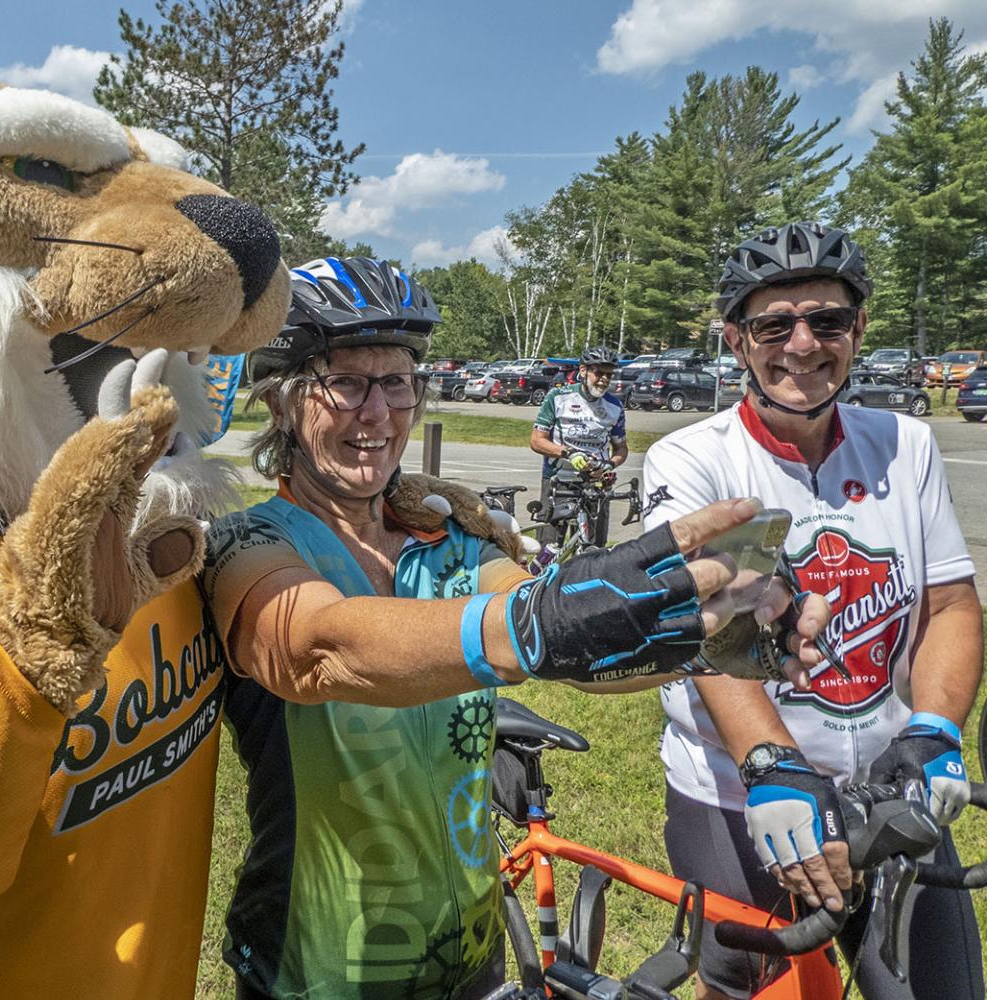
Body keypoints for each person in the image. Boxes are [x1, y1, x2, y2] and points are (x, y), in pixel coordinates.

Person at [200, 257, 830, 999]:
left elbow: (557, 640)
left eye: (396, 381)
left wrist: (706, 633)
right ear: (280, 403)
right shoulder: (249, 543)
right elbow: (317, 645)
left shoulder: (452, 542)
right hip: (314, 970)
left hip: (468, 952)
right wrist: (540, 620)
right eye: (345, 381)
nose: (377, 413)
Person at [641, 222, 983, 1000]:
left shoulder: (906, 443)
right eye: (774, 325)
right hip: (742, 791)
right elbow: (717, 633)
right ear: (736, 341)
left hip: (894, 785)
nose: (802, 345)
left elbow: (951, 605)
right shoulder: (699, 458)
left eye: (827, 321)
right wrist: (772, 763)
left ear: (857, 331)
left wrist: (934, 730)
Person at [529, 347, 627, 544]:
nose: (604, 379)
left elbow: (621, 449)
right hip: (559, 480)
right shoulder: (558, 397)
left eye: (609, 374)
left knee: (593, 549)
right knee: (548, 547)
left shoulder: (615, 407)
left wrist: (608, 465)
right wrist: (568, 453)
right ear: (583, 371)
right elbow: (537, 440)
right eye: (599, 373)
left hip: (595, 484)